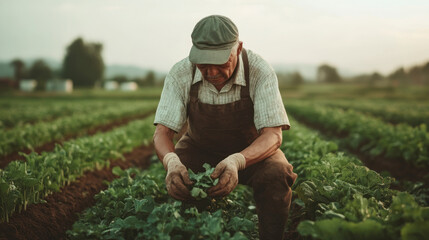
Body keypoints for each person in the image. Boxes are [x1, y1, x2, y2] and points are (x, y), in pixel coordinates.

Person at [153, 15, 297, 240]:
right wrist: (171, 163)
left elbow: (273, 135)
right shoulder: (180, 73)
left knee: (276, 173)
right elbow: (162, 132)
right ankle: (194, 233)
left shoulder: (259, 71)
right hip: (199, 148)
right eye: (202, 65)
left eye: (220, 64)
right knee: (180, 179)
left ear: (238, 49)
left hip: (252, 151)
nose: (211, 73)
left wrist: (236, 160)